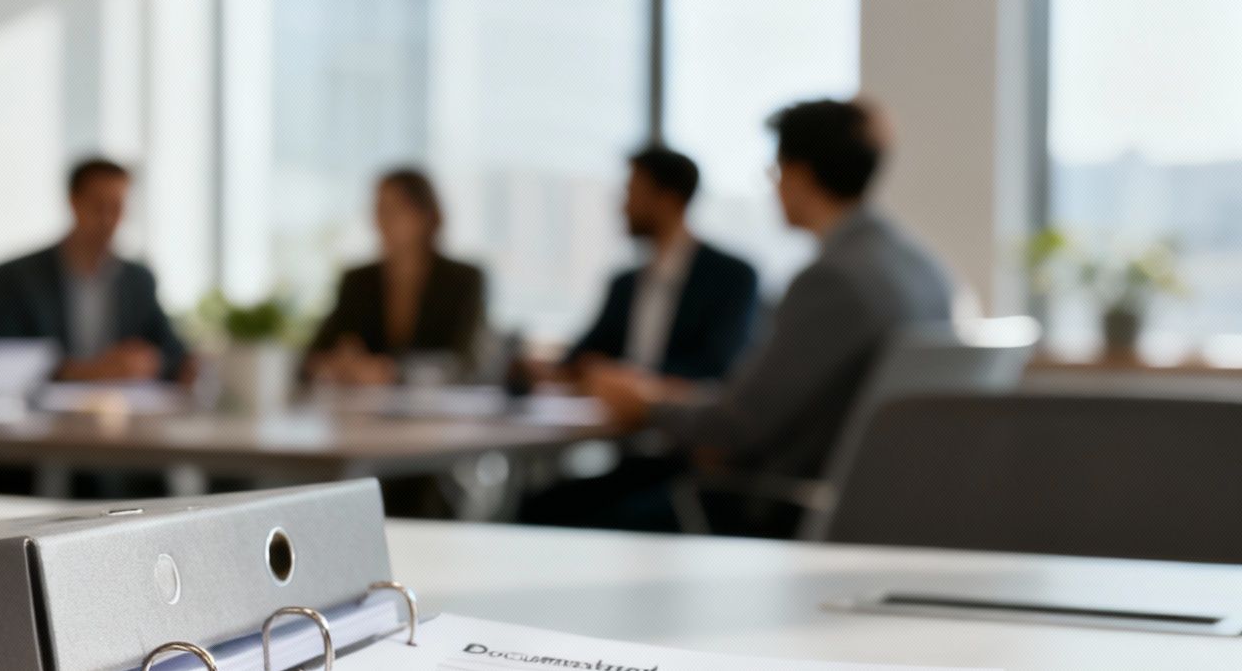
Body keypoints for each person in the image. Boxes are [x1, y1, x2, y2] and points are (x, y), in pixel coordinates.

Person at [528, 98, 953, 533]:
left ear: (799, 174)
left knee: (544, 512)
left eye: (774, 172)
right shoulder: (923, 268)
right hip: (872, 505)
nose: (774, 188)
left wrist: (646, 406)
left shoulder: (831, 281)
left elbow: (739, 424)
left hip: (774, 505)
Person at [557, 146, 758, 382]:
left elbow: (718, 365)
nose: (624, 207)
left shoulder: (731, 277)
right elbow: (582, 356)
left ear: (668, 200)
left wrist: (628, 381)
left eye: (633, 193)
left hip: (681, 415)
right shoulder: (624, 283)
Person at [0, 158, 188, 382]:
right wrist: (85, 371)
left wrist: (150, 362)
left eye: (117, 207)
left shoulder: (138, 279)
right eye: (98, 207)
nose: (107, 220)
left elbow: (171, 354)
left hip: (124, 408)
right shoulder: (16, 277)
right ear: (74, 203)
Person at [305, 168, 487, 386]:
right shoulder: (358, 281)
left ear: (424, 216)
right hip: (364, 412)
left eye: (394, 210)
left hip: (436, 411)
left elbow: (463, 361)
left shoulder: (463, 280)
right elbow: (314, 355)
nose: (382, 221)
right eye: (379, 210)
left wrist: (393, 372)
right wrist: (339, 363)